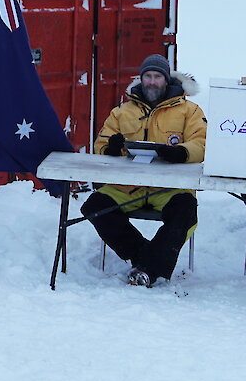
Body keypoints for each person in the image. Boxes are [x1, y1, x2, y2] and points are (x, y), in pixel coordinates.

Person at [84, 54, 207, 287]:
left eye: (157, 77)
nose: (152, 81)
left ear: (166, 80)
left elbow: (202, 143)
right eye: (147, 76)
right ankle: (146, 258)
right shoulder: (122, 111)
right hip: (127, 187)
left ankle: (149, 269)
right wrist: (112, 148)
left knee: (185, 212)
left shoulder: (189, 110)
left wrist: (181, 152)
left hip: (168, 188)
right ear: (141, 79)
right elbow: (101, 144)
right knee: (95, 206)